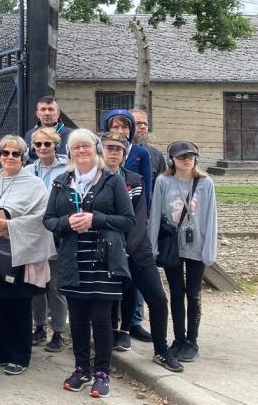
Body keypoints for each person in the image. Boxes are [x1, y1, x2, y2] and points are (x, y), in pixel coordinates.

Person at [44, 129, 134, 398]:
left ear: (95, 149)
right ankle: (81, 368)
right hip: (73, 259)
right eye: (76, 147)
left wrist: (96, 219)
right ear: (70, 152)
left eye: (86, 146)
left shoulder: (111, 181)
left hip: (103, 260)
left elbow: (128, 221)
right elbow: (48, 220)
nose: (81, 150)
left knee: (102, 319)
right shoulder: (62, 182)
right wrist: (66, 223)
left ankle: (102, 373)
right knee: (79, 319)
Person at [0, 135, 54, 376]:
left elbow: (41, 219)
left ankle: (20, 355)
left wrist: (9, 226)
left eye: (16, 154)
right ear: (0, 155)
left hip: (17, 253)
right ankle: (1, 351)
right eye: (5, 153)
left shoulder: (34, 184)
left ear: (23, 157)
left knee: (18, 304)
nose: (10, 158)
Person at [101, 132, 181, 372]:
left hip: (137, 250)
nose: (113, 153)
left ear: (125, 155)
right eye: (109, 148)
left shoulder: (135, 180)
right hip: (106, 250)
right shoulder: (94, 181)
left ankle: (161, 350)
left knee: (157, 298)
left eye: (118, 149)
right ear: (101, 151)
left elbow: (138, 217)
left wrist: (127, 248)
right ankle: (106, 347)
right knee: (106, 302)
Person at [148, 141, 218, 364]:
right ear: (172, 160)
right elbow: (156, 214)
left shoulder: (205, 183)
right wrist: (153, 246)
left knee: (193, 293)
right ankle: (178, 338)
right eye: (181, 157)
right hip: (173, 245)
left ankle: (192, 340)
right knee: (176, 293)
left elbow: (211, 217)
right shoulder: (163, 181)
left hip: (197, 243)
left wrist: (209, 250)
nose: (186, 160)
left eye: (190, 156)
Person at [23, 126, 69, 352]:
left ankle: (59, 331)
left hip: (56, 232)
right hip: (33, 233)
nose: (42, 148)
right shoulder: (29, 169)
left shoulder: (67, 168)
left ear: (55, 145)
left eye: (47, 144)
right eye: (38, 144)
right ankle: (39, 326)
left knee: (55, 285)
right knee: (35, 282)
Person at [102, 109, 154, 205]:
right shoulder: (101, 151)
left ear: (131, 130)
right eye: (115, 127)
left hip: (134, 206)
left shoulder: (142, 153)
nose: (120, 131)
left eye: (125, 127)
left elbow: (146, 188)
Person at [131, 109, 165, 177]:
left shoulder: (156, 154)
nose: (143, 127)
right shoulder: (117, 151)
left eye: (146, 124)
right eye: (138, 123)